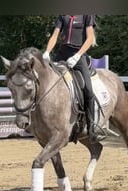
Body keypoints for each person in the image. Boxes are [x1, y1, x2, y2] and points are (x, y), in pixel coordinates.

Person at [42, 15, 105, 144]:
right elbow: (54, 36)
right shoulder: (62, 16)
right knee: (47, 81)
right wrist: (47, 52)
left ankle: (92, 128)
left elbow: (90, 38)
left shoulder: (87, 15)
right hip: (62, 54)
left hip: (79, 54)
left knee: (88, 89)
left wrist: (77, 56)